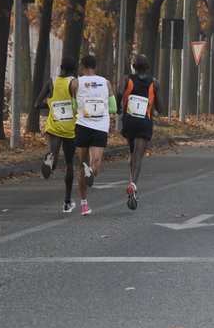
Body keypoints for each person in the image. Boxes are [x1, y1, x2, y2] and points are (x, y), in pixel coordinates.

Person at [117, 52, 163, 211]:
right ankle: (133, 184)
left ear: (134, 66)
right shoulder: (154, 83)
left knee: (132, 152)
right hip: (144, 122)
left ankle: (132, 183)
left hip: (129, 121)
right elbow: (160, 108)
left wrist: (118, 106)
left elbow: (119, 92)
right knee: (138, 156)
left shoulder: (126, 79)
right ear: (147, 67)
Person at [72, 53, 113, 215]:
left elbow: (74, 105)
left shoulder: (76, 83)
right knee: (95, 165)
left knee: (82, 165)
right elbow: (114, 108)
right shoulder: (106, 83)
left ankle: (83, 203)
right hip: (100, 127)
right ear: (96, 67)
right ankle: (92, 170)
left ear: (82, 68)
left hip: (82, 125)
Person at [40, 57, 82, 213]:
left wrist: (52, 103)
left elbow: (37, 103)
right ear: (75, 69)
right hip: (70, 127)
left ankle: (50, 159)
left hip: (54, 125)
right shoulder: (74, 83)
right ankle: (67, 201)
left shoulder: (51, 81)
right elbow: (79, 104)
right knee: (70, 162)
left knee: (54, 156)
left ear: (61, 67)